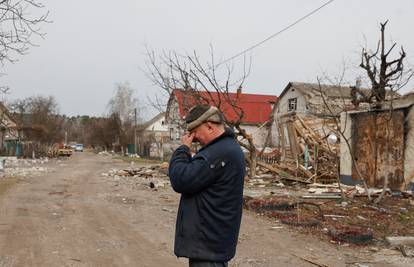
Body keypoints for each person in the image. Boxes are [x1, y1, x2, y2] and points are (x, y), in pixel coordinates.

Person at [168, 105, 245, 267]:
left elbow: (180, 179)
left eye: (195, 133)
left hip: (208, 245)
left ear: (209, 126)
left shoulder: (218, 153)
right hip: (212, 242)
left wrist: (183, 149)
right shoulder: (226, 148)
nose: (194, 139)